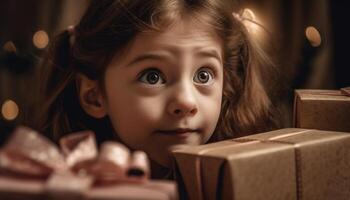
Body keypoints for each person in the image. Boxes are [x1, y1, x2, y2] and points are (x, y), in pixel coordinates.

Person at [35, 0, 279, 179]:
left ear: (226, 85)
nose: (186, 102)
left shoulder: (244, 183)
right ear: (94, 96)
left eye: (203, 75)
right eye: (152, 77)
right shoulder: (63, 185)